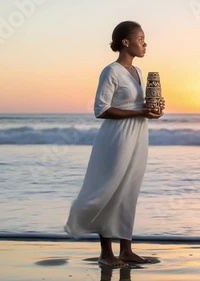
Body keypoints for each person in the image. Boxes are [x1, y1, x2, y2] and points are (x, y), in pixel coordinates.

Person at [64, 21, 164, 268]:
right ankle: (106, 253)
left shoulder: (139, 72)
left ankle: (126, 250)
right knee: (109, 189)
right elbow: (101, 109)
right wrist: (139, 112)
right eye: (140, 39)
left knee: (129, 191)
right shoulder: (111, 71)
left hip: (139, 136)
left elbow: (139, 105)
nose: (145, 43)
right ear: (125, 42)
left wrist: (154, 108)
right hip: (116, 137)